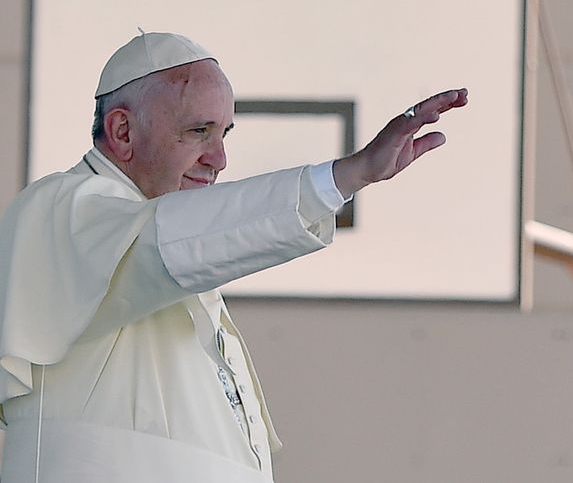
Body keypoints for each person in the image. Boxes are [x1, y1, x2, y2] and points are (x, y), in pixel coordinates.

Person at [0, 31, 465, 482]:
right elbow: (169, 242)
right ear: (123, 130)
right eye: (198, 131)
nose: (219, 158)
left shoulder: (156, 236)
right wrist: (344, 178)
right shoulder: (64, 209)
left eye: (224, 133)